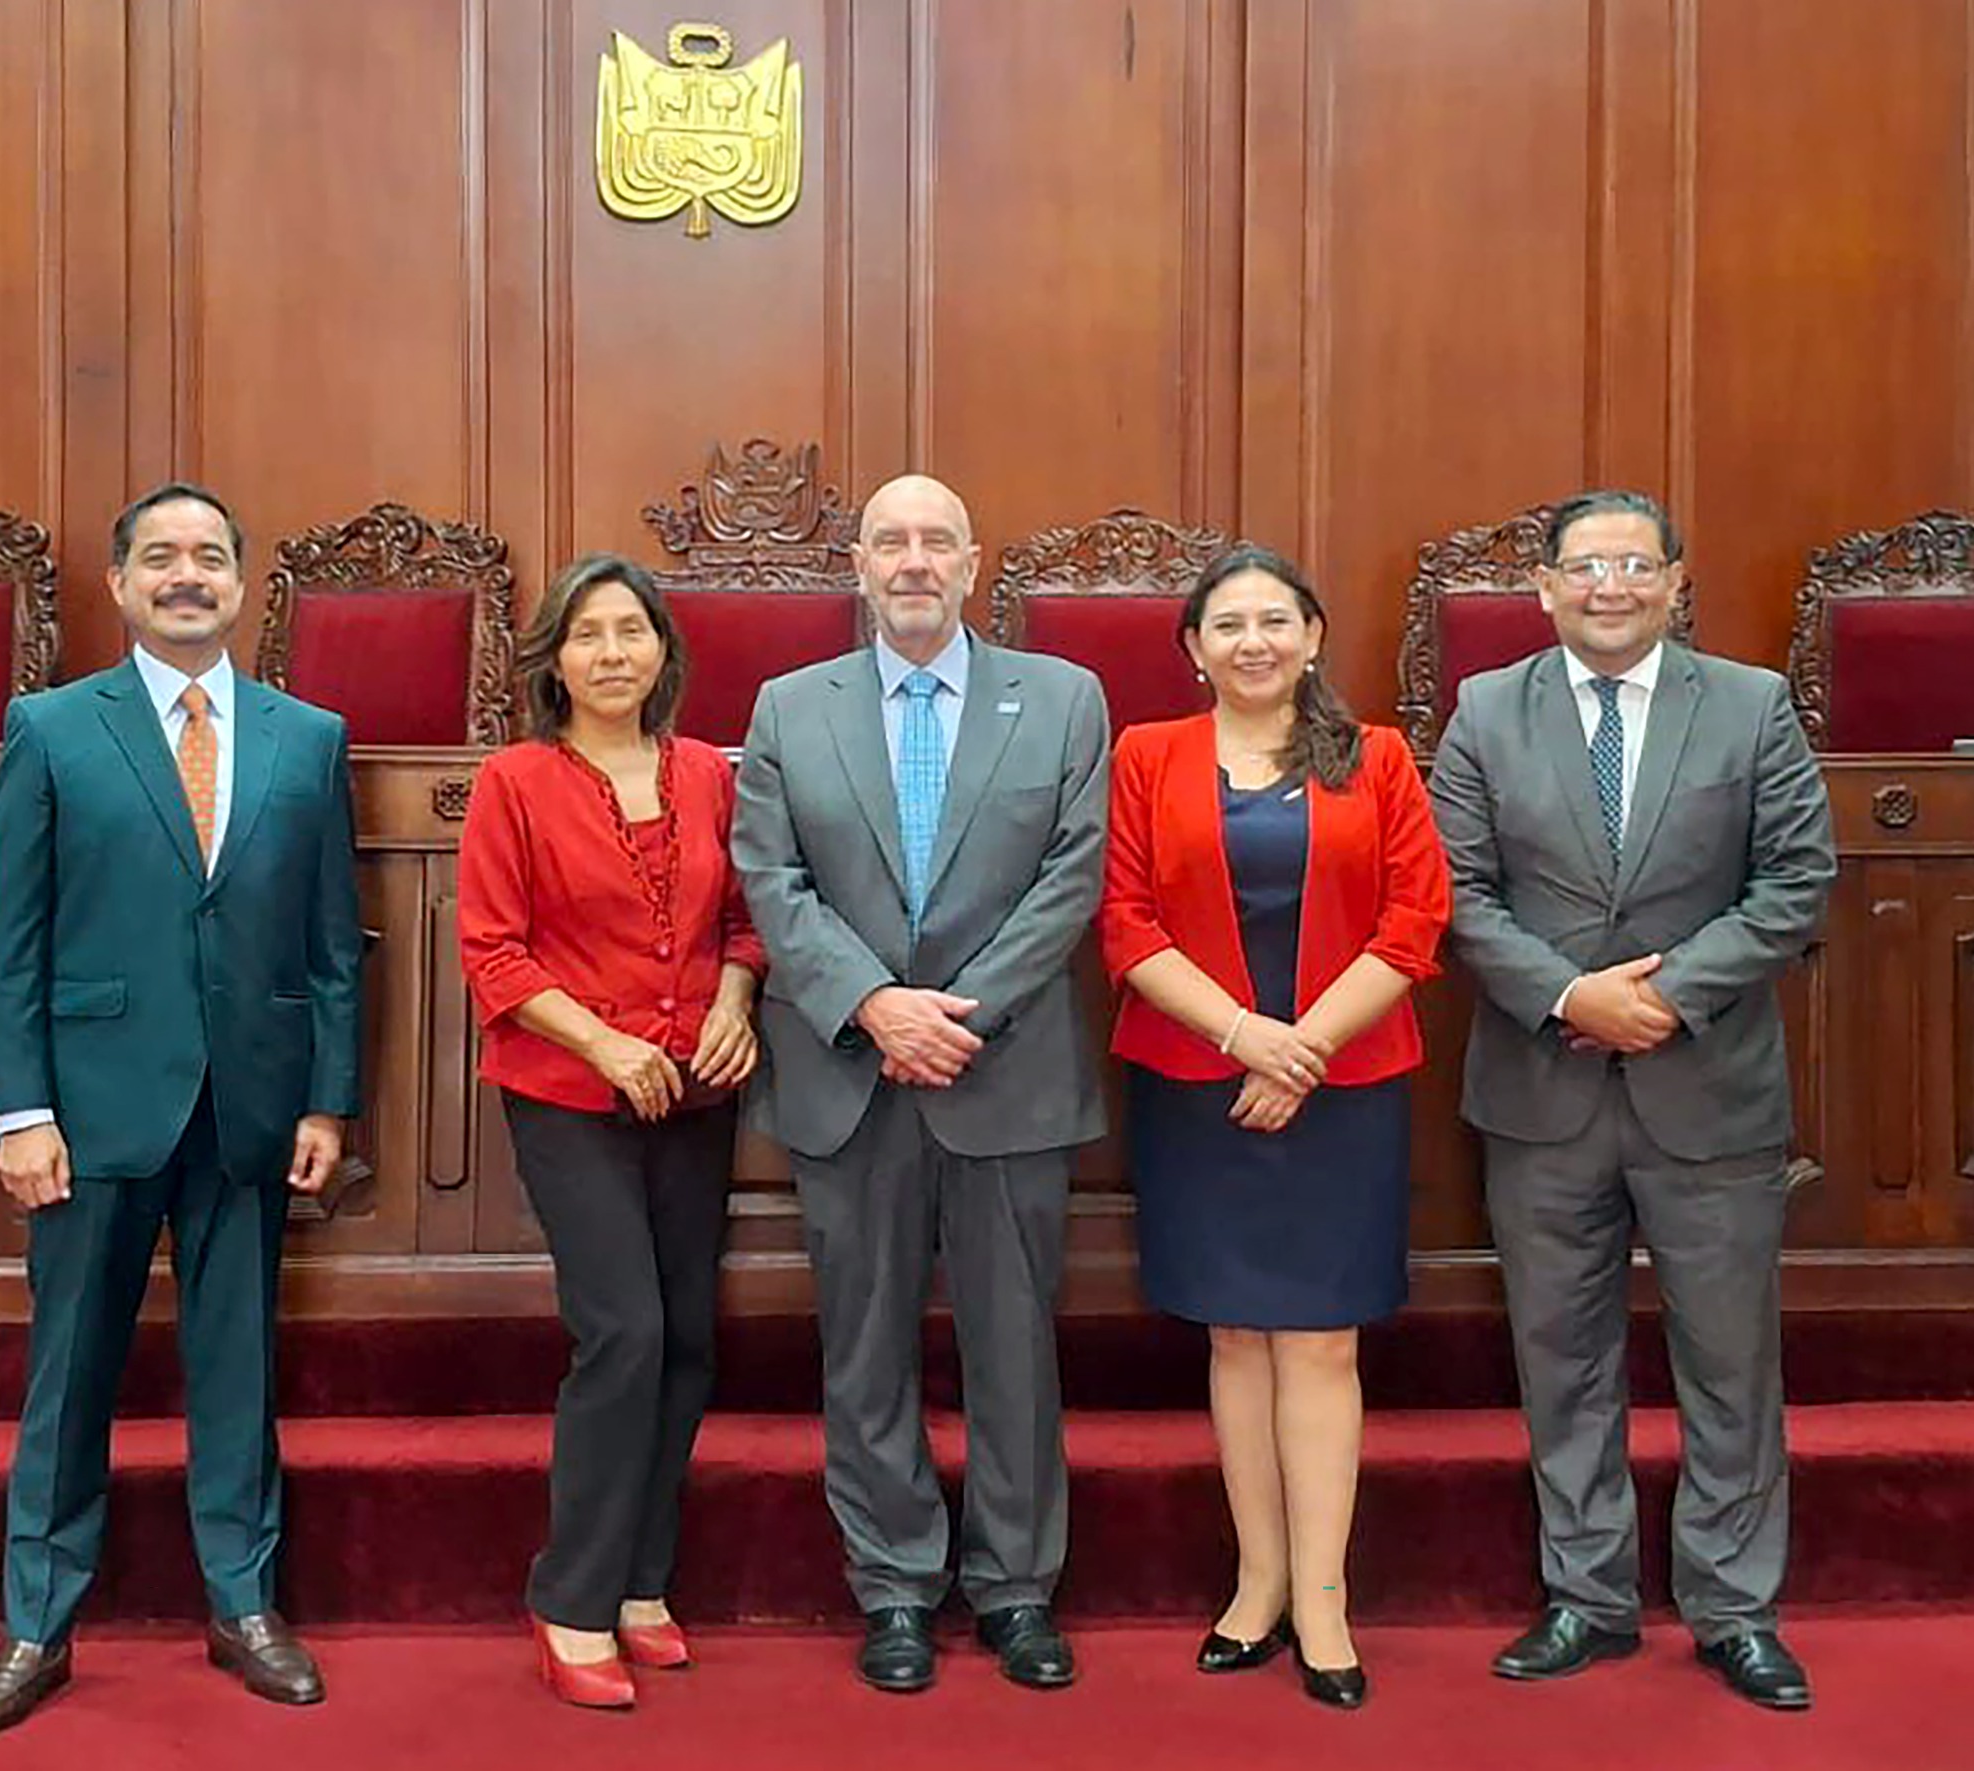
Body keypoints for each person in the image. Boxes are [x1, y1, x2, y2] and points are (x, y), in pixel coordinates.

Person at [0, 482, 364, 1736]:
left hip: (252, 1105)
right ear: (121, 582)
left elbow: (334, 943)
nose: (187, 577)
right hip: (91, 1108)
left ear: (243, 584)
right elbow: (6, 943)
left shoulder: (310, 737)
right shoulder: (52, 727)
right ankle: (37, 1621)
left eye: (209, 559)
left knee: (237, 1363)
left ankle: (243, 1603)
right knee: (70, 1370)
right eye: (160, 558)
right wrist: (19, 1109)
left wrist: (328, 1102)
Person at [1428, 488, 1835, 1711]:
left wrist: (1666, 996)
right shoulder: (1485, 710)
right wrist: (1567, 998)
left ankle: (1733, 1607)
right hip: (1543, 1086)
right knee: (1561, 1360)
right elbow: (1451, 888)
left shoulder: (1752, 705)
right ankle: (1586, 1597)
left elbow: (1795, 878)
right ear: (1544, 587)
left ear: (1673, 583)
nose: (1610, 586)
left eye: (1634, 565)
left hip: (1704, 1083)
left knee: (1728, 1360)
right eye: (1584, 567)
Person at [731, 473, 1110, 1695]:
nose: (911, 561)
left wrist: (958, 1016)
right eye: (889, 542)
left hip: (1008, 1074)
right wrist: (875, 1005)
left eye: (933, 541)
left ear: (972, 561)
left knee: (1015, 1347)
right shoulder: (791, 708)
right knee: (864, 1347)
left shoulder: (1060, 699)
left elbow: (1073, 871)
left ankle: (1013, 1588)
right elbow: (772, 880)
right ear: (856, 566)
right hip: (851, 1072)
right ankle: (893, 1583)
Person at [1099, 544, 1450, 1710]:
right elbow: (1126, 924)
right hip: (1199, 1079)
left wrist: (1303, 1049)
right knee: (1235, 1336)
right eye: (1227, 624)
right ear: (1194, 650)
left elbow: (1414, 923)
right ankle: (1255, 1585)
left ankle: (1325, 1599)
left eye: (1275, 621)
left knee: (1321, 1340)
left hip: (1343, 1086)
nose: (1252, 642)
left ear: (1310, 636)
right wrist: (1247, 1038)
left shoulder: (1380, 757)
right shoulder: (1147, 756)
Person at [456, 553, 764, 1710]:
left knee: (688, 1336)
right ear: (555, 659)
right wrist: (605, 1044)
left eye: (631, 632)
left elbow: (747, 920)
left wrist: (734, 1007)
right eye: (588, 635)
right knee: (623, 1331)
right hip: (572, 1091)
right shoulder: (516, 781)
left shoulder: (705, 772)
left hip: (696, 1091)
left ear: (662, 652)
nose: (612, 653)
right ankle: (570, 1597)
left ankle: (643, 1582)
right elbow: (493, 949)